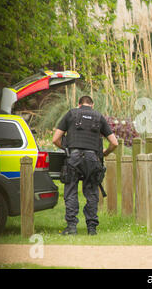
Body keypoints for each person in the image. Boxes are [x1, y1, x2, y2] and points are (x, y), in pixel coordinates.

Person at [52, 96, 118, 235]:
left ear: (79, 104)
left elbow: (55, 139)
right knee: (92, 192)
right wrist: (104, 153)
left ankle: (71, 227)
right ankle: (92, 228)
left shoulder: (71, 114)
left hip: (74, 157)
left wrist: (67, 149)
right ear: (92, 105)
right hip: (92, 158)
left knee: (70, 191)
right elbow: (114, 143)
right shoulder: (99, 116)